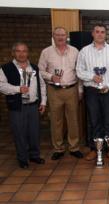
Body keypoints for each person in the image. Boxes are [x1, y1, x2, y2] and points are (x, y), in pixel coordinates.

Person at [76, 24, 109, 161]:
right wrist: (92, 77)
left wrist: (108, 85)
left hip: (108, 91)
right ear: (92, 34)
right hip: (92, 91)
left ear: (105, 34)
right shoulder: (84, 51)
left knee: (108, 121)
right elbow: (79, 71)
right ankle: (95, 149)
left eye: (102, 32)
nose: (100, 34)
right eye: (97, 32)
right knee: (93, 120)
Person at [38, 27, 83, 160]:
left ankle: (74, 147)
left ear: (66, 36)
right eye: (57, 35)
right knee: (56, 121)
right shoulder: (46, 52)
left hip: (71, 89)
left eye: (63, 35)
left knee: (73, 120)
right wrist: (51, 77)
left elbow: (79, 72)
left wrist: (80, 90)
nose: (60, 37)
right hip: (54, 91)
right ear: (53, 36)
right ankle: (58, 148)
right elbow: (40, 70)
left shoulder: (75, 51)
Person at [0, 42, 46, 168]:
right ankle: (23, 159)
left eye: (24, 51)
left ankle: (35, 156)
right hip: (17, 107)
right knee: (19, 133)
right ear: (13, 53)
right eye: (18, 51)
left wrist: (43, 102)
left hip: (33, 105)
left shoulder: (34, 68)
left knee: (34, 132)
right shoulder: (6, 68)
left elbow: (41, 85)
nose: (21, 54)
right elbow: (1, 86)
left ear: (27, 53)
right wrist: (18, 89)